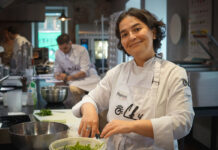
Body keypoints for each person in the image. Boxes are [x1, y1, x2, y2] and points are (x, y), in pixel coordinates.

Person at [72, 8, 195, 150]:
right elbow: (91, 98)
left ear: (153, 32)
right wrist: (89, 110)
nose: (131, 37)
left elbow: (182, 123)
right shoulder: (117, 72)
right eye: (124, 34)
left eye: (137, 29)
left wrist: (131, 126)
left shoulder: (173, 73)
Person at [54, 33, 100, 106]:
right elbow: (57, 70)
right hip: (73, 79)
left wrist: (68, 78)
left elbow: (84, 72)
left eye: (65, 48)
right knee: (72, 91)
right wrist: (58, 75)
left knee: (94, 96)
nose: (63, 51)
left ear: (70, 43)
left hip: (89, 78)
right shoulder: (58, 53)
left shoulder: (81, 50)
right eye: (61, 48)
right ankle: (77, 109)